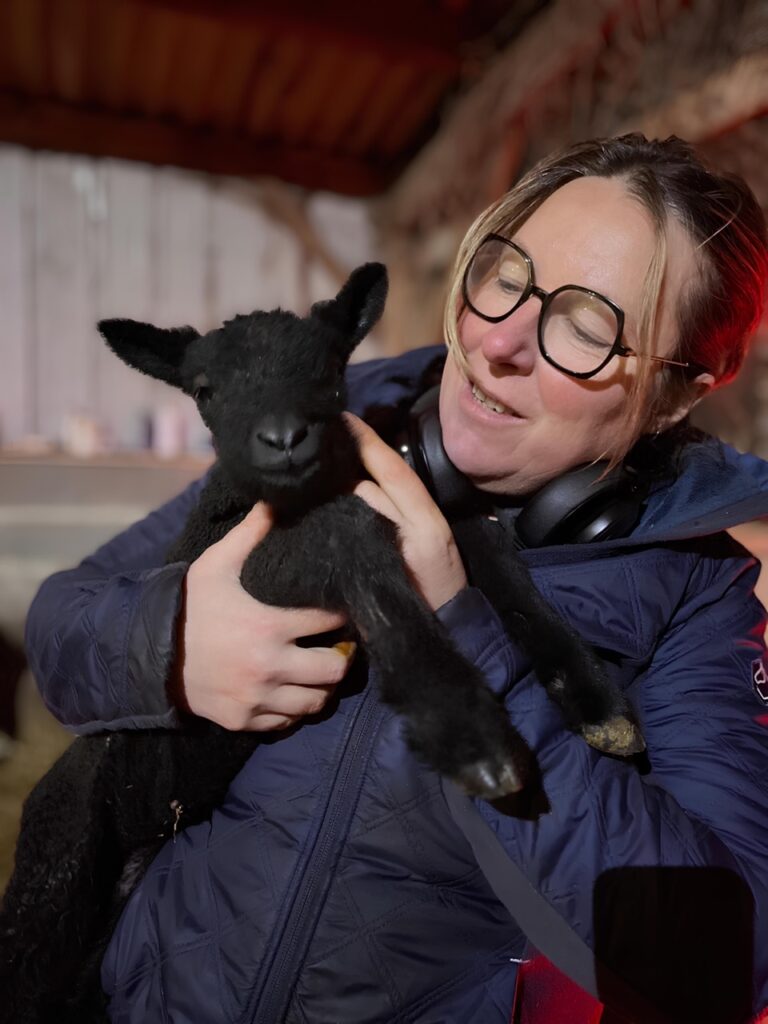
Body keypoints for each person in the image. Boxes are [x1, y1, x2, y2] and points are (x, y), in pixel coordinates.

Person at [25, 134, 768, 1023]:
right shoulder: (327, 425)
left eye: (588, 324)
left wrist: (469, 643)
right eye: (509, 274)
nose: (499, 340)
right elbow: (58, 623)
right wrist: (174, 641)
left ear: (677, 394)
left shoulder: (696, 595)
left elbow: (728, 959)